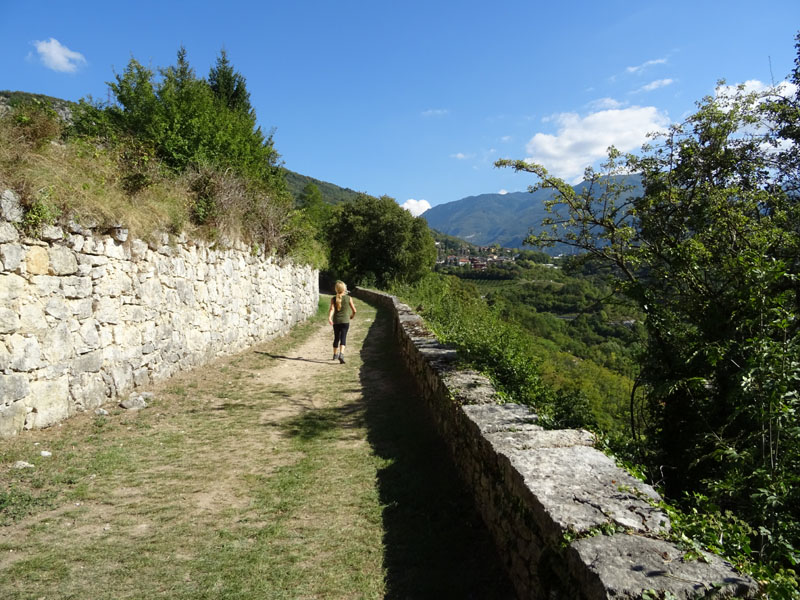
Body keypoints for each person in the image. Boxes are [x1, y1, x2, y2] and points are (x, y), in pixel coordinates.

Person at [328, 280, 356, 364]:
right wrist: (352, 316)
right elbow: (354, 310)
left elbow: (332, 309)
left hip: (336, 321)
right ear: (344, 289)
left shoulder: (333, 299)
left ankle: (334, 354)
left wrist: (329, 318)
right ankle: (341, 354)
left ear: (336, 289)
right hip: (345, 321)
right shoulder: (348, 298)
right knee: (343, 337)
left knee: (336, 337)